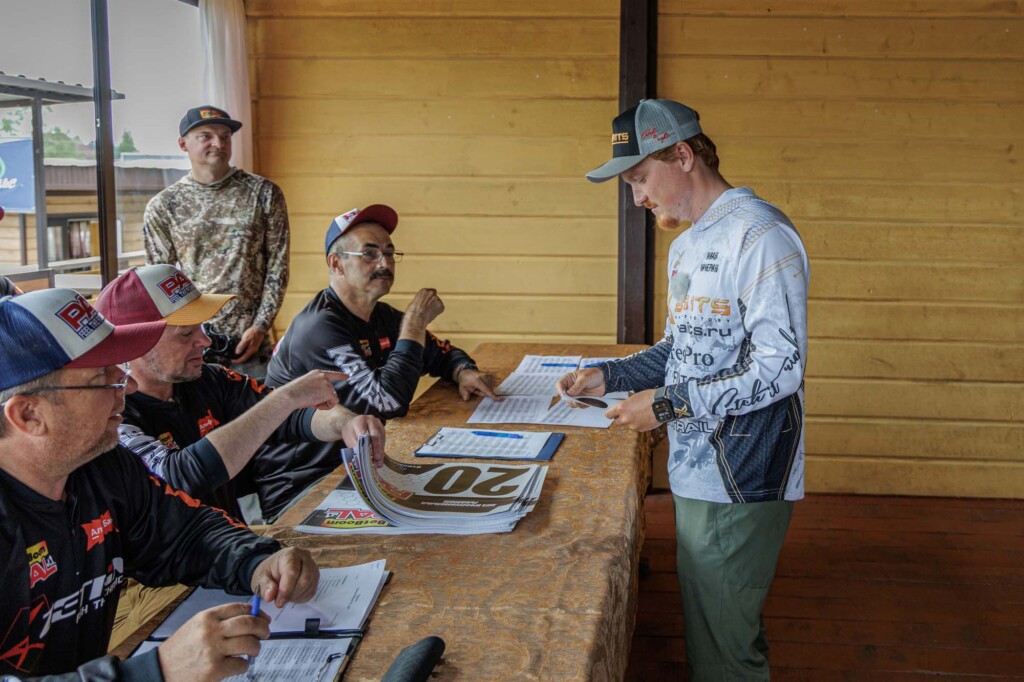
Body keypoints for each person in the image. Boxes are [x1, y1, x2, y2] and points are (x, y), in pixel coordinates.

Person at [558, 99, 809, 680]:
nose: (636, 198)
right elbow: (681, 348)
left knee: (725, 654)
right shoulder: (688, 245)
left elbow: (781, 369)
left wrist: (668, 404)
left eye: (640, 178)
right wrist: (610, 375)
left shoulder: (761, 236)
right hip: (698, 466)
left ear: (683, 155)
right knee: (718, 627)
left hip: (743, 473)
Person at [0, 288, 320, 681]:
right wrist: (156, 671)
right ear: (28, 415)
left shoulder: (101, 466)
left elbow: (184, 533)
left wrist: (257, 562)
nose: (128, 386)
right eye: (102, 376)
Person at [94, 264, 385, 524]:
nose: (205, 341)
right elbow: (175, 478)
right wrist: (284, 399)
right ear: (135, 343)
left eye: (202, 328)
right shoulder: (109, 413)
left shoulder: (210, 379)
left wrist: (346, 422)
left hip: (232, 548)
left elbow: (295, 418)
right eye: (185, 333)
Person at [259, 205, 498, 517]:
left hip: (365, 468)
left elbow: (441, 353)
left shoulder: (381, 316)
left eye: (389, 252)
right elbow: (387, 403)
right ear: (337, 264)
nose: (384, 263)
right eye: (369, 254)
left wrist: (462, 370)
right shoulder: (319, 327)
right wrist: (415, 322)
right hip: (304, 488)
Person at [143, 105, 289, 378]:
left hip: (248, 341)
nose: (218, 143)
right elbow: (158, 280)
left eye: (225, 136)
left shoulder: (264, 193)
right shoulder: (164, 205)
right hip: (192, 341)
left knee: (261, 405)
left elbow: (277, 267)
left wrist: (260, 326)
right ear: (183, 144)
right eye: (206, 136)